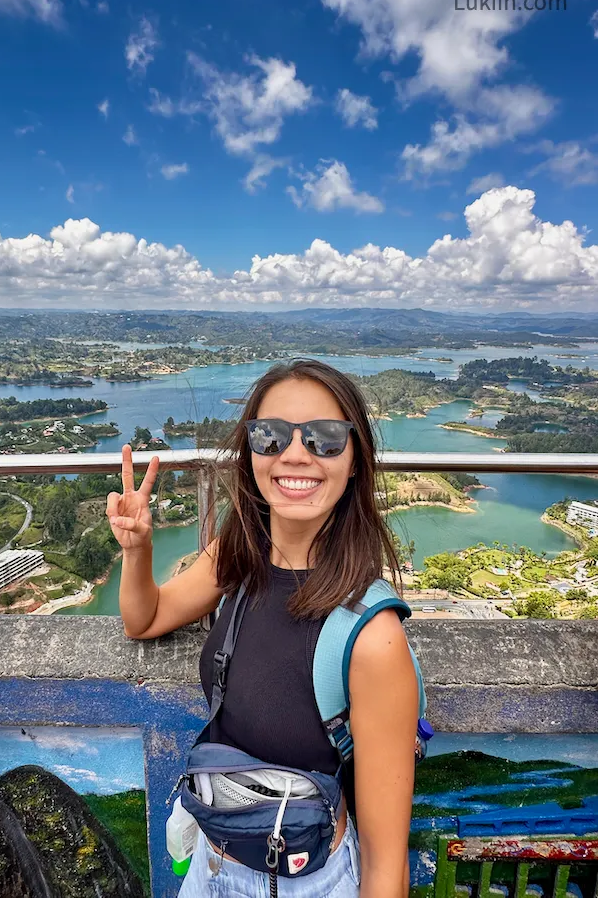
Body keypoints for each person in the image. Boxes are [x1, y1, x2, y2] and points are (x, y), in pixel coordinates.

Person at [108, 360, 419, 898]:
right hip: (211, 861)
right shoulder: (239, 556)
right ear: (250, 451)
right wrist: (138, 552)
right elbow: (147, 619)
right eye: (271, 435)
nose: (295, 454)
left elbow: (386, 864)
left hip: (308, 882)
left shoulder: (372, 635)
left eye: (325, 438)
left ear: (355, 461)